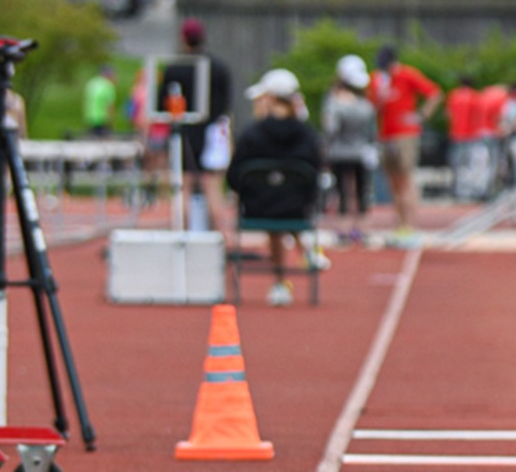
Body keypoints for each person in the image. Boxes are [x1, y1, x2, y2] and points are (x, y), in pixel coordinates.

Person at [228, 69, 324, 306]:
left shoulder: (252, 134)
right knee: (284, 200)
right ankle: (304, 252)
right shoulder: (308, 135)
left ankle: (280, 281)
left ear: (270, 98)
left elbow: (233, 176)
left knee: (273, 204)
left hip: (257, 209)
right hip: (298, 210)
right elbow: (316, 175)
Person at [158, 18, 235, 232]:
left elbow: (163, 105)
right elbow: (226, 109)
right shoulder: (219, 68)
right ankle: (221, 242)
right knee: (213, 189)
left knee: (183, 189)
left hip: (185, 133)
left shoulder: (176, 68)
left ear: (184, 39)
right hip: (212, 133)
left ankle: (181, 240)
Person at [371, 45, 442, 247]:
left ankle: (411, 225)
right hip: (385, 135)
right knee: (393, 181)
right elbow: (373, 107)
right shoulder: (377, 79)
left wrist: (420, 116)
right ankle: (400, 224)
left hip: (405, 135)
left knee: (406, 178)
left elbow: (434, 93)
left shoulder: (407, 74)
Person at [322, 54, 379, 246]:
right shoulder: (366, 103)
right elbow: (372, 129)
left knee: (341, 191)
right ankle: (362, 230)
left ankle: (344, 230)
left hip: (339, 152)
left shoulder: (334, 101)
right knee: (362, 190)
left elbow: (331, 129)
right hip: (361, 152)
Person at [82, 64, 118, 138]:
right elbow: (109, 106)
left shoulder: (92, 83)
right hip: (102, 119)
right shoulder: (108, 86)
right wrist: (111, 123)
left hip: (90, 117)